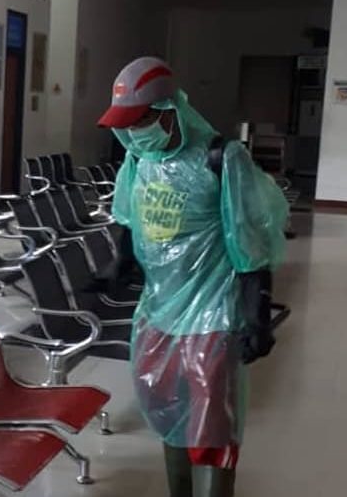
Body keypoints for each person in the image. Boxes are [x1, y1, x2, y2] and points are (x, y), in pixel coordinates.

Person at [97, 57, 288, 497]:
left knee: (211, 429)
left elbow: (250, 246)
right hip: (158, 313)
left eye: (140, 120)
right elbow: (126, 218)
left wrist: (257, 316)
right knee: (170, 415)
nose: (132, 132)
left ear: (168, 110)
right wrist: (117, 266)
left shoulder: (222, 159)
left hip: (212, 314)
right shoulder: (139, 159)